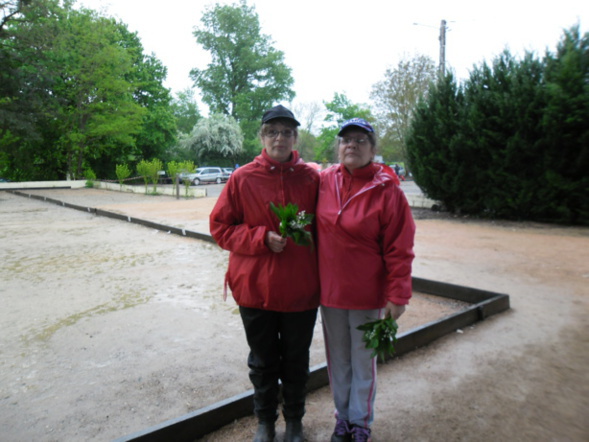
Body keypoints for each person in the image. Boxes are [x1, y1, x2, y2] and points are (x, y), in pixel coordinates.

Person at [209, 105, 320, 442]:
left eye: (287, 132)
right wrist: (260, 238)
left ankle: (295, 422)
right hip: (256, 289)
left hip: (300, 289)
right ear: (262, 137)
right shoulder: (243, 178)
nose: (280, 138)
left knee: (297, 361)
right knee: (263, 360)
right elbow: (220, 228)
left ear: (295, 138)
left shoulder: (312, 178)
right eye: (273, 132)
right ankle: (265, 422)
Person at [316, 118, 416, 442]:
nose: (352, 145)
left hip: (368, 294)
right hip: (331, 293)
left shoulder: (387, 190)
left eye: (361, 140)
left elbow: (400, 247)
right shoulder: (324, 181)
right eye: (346, 140)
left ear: (373, 149)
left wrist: (398, 295)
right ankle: (342, 418)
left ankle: (360, 423)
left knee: (363, 362)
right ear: (338, 147)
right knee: (338, 362)